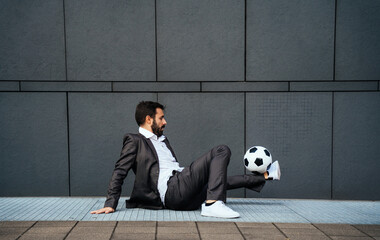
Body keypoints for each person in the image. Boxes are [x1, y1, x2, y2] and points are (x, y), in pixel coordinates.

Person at [91, 101, 281, 218]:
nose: (165, 122)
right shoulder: (135, 140)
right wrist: (110, 204)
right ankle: (213, 204)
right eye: (161, 118)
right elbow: (119, 171)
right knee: (221, 150)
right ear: (149, 119)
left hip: (182, 191)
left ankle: (265, 176)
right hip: (172, 190)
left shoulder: (163, 140)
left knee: (218, 180)